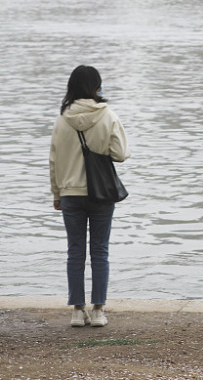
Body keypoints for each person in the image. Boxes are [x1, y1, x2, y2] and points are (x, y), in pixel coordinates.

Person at [49, 65, 130, 328]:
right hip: (101, 193)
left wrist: (57, 193)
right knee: (100, 251)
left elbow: (54, 160)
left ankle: (76, 310)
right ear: (97, 87)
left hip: (71, 193)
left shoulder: (63, 119)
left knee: (75, 252)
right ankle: (98, 311)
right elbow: (120, 153)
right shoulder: (107, 115)